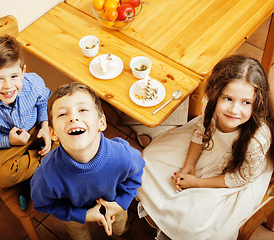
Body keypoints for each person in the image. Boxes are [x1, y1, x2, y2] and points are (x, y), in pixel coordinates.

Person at [137, 55, 274, 240]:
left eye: (246, 102)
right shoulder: (211, 106)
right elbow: (201, 132)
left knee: (195, 221)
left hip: (235, 171)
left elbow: (240, 178)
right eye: (228, 98)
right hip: (209, 145)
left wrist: (196, 183)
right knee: (148, 161)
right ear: (216, 94)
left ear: (256, 103)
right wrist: (189, 165)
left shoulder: (256, 141)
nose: (234, 110)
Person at [30, 82, 145, 240]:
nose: (73, 118)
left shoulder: (123, 155)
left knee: (119, 231)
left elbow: (136, 173)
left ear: (101, 122)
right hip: (74, 215)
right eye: (62, 114)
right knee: (80, 237)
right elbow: (43, 203)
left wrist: (120, 203)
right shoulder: (46, 175)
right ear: (53, 133)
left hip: (115, 205)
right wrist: (83, 215)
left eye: (83, 110)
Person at [0, 35, 52, 210]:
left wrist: (44, 125)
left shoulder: (33, 83)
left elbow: (44, 99)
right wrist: (8, 141)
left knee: (69, 136)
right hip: (8, 144)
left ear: (23, 72)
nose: (8, 86)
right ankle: (36, 173)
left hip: (36, 129)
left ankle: (32, 174)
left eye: (14, 76)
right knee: (2, 177)